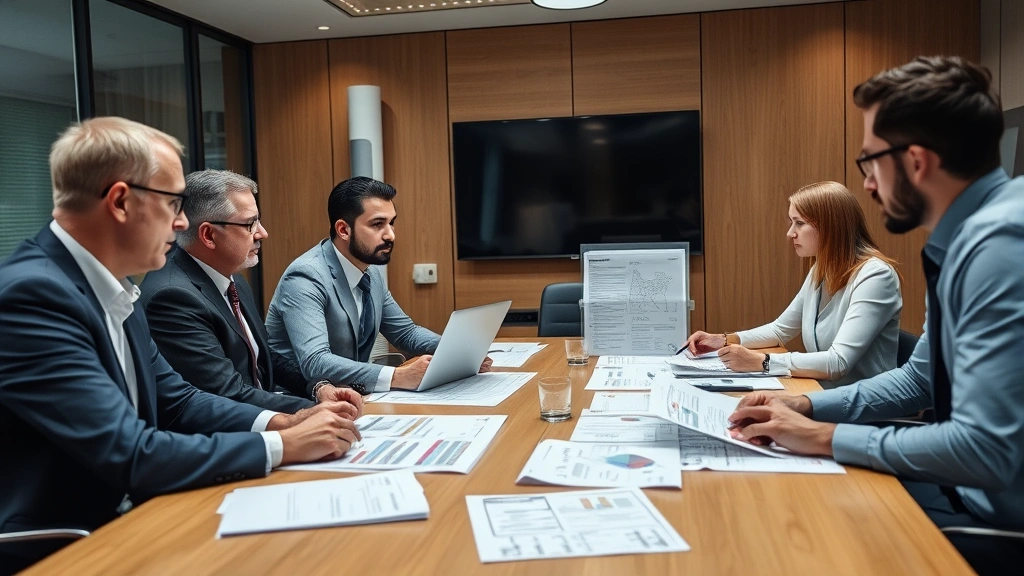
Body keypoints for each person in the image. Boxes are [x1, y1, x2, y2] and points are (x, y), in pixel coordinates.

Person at [0, 117, 361, 573]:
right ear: (120, 201)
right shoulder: (33, 296)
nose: (184, 222)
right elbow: (130, 452)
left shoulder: (113, 286)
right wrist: (285, 446)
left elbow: (178, 401)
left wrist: (286, 420)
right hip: (70, 544)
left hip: (137, 515)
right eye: (173, 202)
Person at [728, 56, 1024, 575]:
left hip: (994, 516)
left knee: (795, 541)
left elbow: (984, 450)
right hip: (970, 488)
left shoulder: (999, 246)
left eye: (870, 162)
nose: (866, 184)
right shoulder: (967, 238)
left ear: (915, 161)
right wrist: (805, 406)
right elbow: (919, 380)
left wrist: (822, 437)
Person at [140, 169, 364, 412]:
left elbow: (264, 355)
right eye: (250, 223)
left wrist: (318, 388)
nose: (262, 233)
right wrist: (309, 412)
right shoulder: (172, 297)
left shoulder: (231, 275)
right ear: (208, 235)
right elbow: (227, 393)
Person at [267, 176, 490, 396]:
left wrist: (459, 352)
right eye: (377, 224)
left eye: (391, 223)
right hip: (299, 401)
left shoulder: (369, 271)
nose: (390, 235)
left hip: (352, 395)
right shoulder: (305, 276)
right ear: (344, 230)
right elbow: (315, 361)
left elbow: (406, 334)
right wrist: (397, 377)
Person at [684, 181, 902, 388]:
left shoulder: (876, 276)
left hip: (868, 406)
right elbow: (780, 330)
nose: (790, 234)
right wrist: (723, 340)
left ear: (830, 227)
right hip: (828, 393)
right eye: (791, 223)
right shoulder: (820, 269)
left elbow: (838, 363)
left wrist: (762, 362)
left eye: (799, 223)